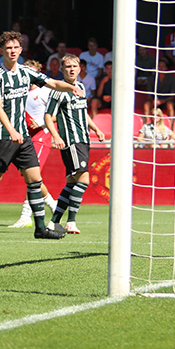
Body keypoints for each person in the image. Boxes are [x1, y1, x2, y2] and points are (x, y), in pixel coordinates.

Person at [0, 30, 84, 240]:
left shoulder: (25, 72)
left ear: (20, 50)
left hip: (24, 138)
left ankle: (40, 228)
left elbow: (52, 83)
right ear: (2, 51)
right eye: (8, 48)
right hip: (3, 136)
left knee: (35, 179)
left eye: (15, 48)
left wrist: (71, 88)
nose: (12, 51)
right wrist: (11, 130)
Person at [43, 54, 106, 234]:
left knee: (71, 183)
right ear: (62, 70)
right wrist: (56, 136)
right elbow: (48, 116)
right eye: (67, 67)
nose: (71, 69)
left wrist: (95, 128)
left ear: (80, 69)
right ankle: (71, 221)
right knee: (84, 179)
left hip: (83, 139)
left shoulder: (80, 87)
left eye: (74, 66)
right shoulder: (59, 90)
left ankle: (54, 222)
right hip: (71, 141)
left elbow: (83, 112)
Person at [9, 59, 59, 229]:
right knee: (29, 175)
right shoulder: (19, 93)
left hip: (41, 137)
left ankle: (26, 215)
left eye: (31, 71)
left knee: (32, 176)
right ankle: (54, 205)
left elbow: (57, 114)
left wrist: (41, 122)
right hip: (26, 138)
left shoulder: (45, 91)